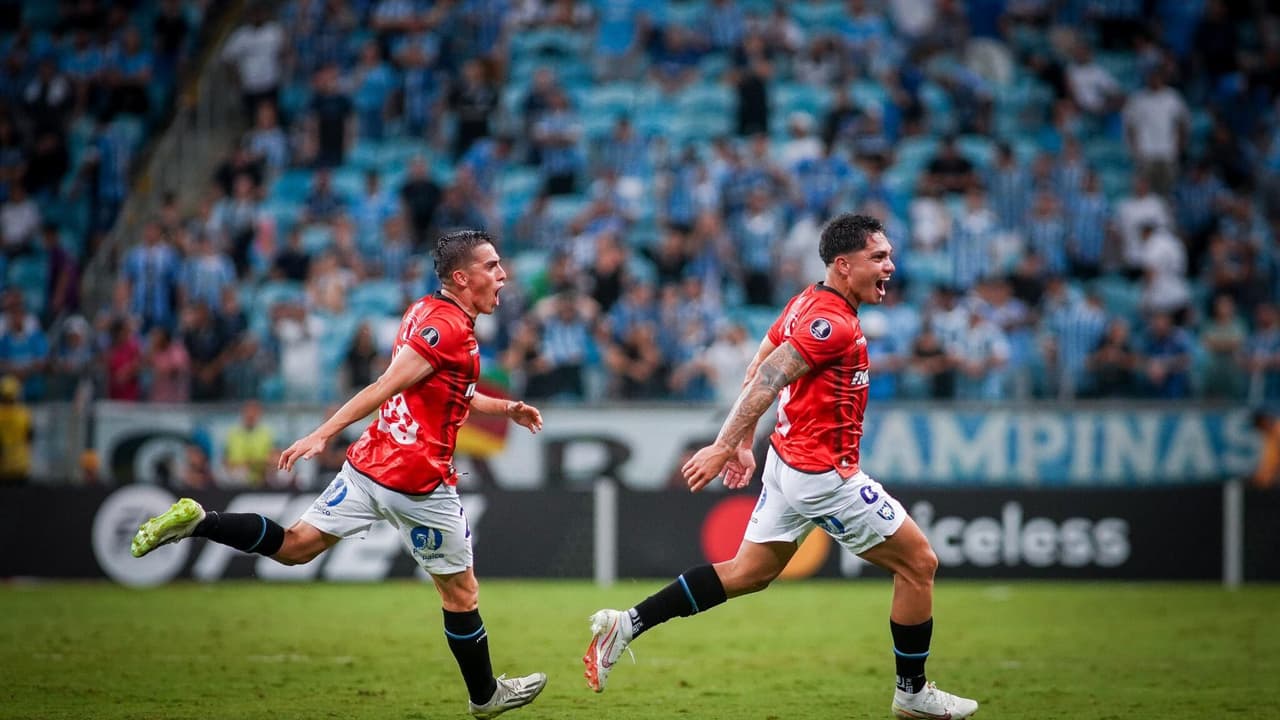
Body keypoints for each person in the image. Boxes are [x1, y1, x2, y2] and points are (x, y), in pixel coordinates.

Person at [131, 230, 549, 719]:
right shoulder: (449, 328)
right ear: (463, 277)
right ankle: (484, 698)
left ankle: (201, 522)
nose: (503, 275)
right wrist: (322, 433)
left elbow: (448, 388)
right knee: (461, 594)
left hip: (371, 462)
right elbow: (386, 384)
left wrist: (506, 408)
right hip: (417, 481)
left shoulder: (426, 311)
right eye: (493, 266)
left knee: (296, 547)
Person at [582, 214, 979, 719]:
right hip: (823, 477)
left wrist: (747, 442)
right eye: (878, 258)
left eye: (889, 256)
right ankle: (913, 694)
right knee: (919, 564)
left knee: (748, 573)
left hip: (787, 463)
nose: (890, 267)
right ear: (843, 264)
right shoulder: (830, 323)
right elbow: (768, 377)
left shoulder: (805, 301)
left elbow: (757, 367)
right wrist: (725, 445)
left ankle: (628, 623)